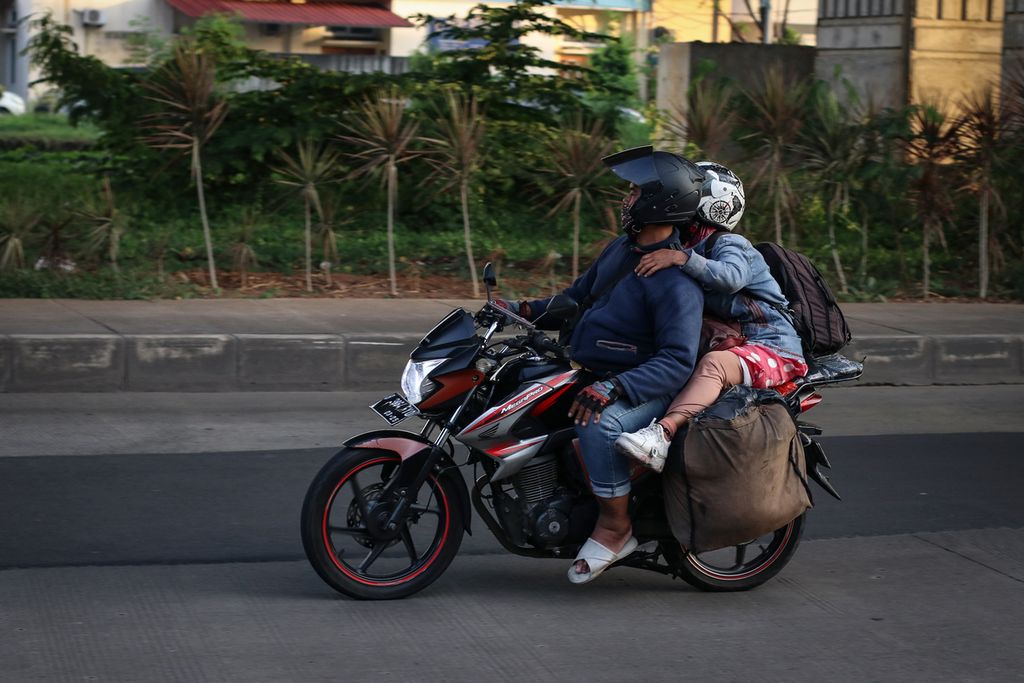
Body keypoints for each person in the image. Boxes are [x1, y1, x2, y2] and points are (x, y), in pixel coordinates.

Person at [500, 146, 706, 584]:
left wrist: (614, 389)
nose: (625, 199)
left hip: (645, 387)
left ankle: (616, 525)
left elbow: (677, 361)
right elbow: (577, 298)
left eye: (633, 191)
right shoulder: (622, 250)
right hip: (595, 371)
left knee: (597, 423)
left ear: (658, 202)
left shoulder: (676, 283)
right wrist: (521, 309)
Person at [614, 162, 809, 472]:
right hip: (732, 341)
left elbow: (732, 278)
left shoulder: (729, 244)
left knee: (714, 366)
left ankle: (662, 435)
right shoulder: (682, 244)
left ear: (705, 202)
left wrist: (681, 258)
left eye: (685, 192)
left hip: (773, 347)